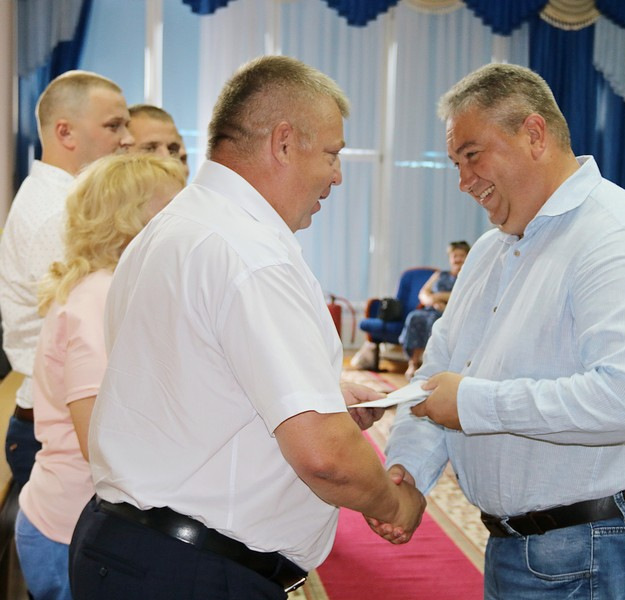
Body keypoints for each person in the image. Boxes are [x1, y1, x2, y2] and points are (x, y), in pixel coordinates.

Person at [68, 56, 426, 600]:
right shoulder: (251, 254)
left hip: (127, 547)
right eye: (331, 154)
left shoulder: (172, 227)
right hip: (192, 570)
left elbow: (192, 384)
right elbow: (325, 456)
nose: (337, 175)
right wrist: (393, 504)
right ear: (283, 143)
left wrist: (320, 396)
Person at [382, 63, 625, 599]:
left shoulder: (618, 235)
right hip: (523, 544)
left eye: (472, 155)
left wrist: (475, 403)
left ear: (533, 134)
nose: (463, 182)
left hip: (599, 545)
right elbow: (438, 377)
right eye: (456, 163)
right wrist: (407, 474)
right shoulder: (490, 250)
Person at [15, 154, 185, 600]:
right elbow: (100, 440)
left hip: (77, 519)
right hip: (69, 528)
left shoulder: (109, 288)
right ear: (128, 223)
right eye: (172, 212)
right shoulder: (98, 297)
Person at [0, 70, 133, 486]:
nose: (128, 139)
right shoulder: (60, 213)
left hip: (62, 413)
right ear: (65, 132)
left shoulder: (67, 201)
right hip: (58, 425)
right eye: (114, 125)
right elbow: (87, 331)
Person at [398, 240, 469, 379]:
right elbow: (423, 293)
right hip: (430, 309)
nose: (458, 259)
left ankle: (431, 365)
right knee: (414, 317)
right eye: (455, 255)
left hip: (449, 313)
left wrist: (439, 297)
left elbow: (463, 296)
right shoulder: (439, 274)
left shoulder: (467, 277)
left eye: (462, 255)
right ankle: (413, 363)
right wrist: (432, 301)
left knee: (435, 322)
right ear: (450, 258)